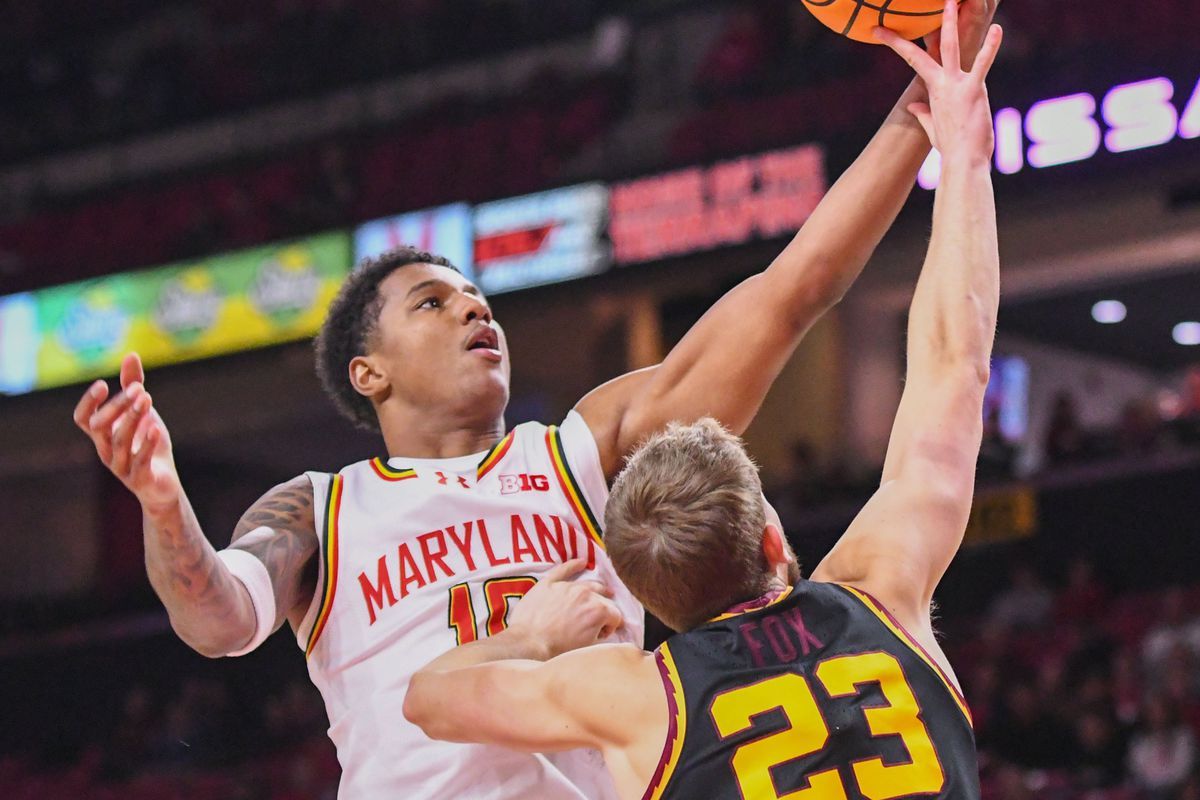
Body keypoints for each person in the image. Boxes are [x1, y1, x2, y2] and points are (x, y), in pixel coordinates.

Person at [71, 1, 998, 797]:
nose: (474, 307)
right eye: (433, 304)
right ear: (369, 372)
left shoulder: (579, 453)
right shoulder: (321, 507)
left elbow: (792, 291)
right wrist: (163, 503)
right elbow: (220, 620)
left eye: (478, 297)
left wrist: (923, 113)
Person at [405, 7, 1001, 798]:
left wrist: (530, 635)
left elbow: (428, 698)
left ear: (646, 598)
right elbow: (953, 365)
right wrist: (963, 158)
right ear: (772, 538)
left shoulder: (632, 697)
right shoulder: (882, 593)